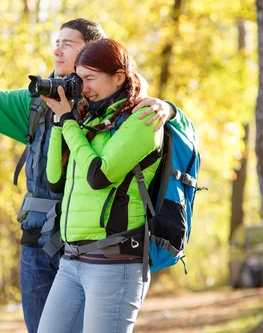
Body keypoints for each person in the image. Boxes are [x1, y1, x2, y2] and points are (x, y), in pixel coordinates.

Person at [0, 18, 195, 332]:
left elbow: (156, 134)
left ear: (93, 52)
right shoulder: (40, 105)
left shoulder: (129, 109)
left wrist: (169, 109)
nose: (57, 52)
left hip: (105, 249)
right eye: (56, 44)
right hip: (42, 243)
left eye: (67, 45)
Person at [38, 38, 167, 333]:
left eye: (90, 79)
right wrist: (61, 121)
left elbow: (99, 176)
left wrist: (68, 122)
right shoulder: (89, 121)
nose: (83, 89)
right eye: (79, 79)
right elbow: (54, 181)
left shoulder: (143, 119)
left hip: (115, 264)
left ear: (118, 77)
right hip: (71, 261)